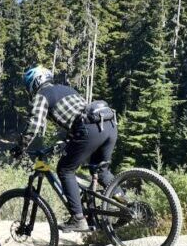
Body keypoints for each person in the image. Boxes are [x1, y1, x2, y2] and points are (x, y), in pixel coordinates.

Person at [19, 65, 117, 232]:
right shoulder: (67, 89)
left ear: (34, 83)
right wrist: (68, 140)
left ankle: (78, 219)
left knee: (64, 169)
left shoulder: (42, 95)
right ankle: (128, 205)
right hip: (109, 125)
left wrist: (20, 147)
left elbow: (34, 124)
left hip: (89, 129)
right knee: (102, 171)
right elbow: (79, 115)